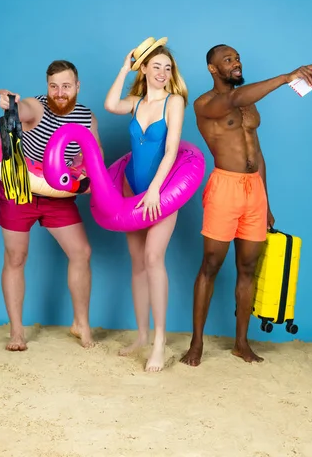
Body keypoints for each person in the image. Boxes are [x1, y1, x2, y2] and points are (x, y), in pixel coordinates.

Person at [180, 44, 312, 365]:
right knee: (211, 266)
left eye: (237, 58)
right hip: (224, 189)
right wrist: (287, 77)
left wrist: (266, 200)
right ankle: (196, 344)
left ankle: (241, 343)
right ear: (213, 69)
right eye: (227, 60)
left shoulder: (251, 106)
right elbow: (231, 100)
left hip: (253, 191)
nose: (236, 63)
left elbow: (257, 155)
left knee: (248, 268)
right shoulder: (205, 104)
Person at [0, 60, 103, 352]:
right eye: (53, 86)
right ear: (47, 87)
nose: (59, 92)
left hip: (57, 193)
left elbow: (95, 159)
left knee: (82, 252)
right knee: (16, 257)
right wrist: (13, 105)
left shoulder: (86, 117)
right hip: (19, 186)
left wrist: (89, 182)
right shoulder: (38, 106)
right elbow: (24, 108)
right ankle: (17, 332)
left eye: (66, 86)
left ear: (77, 87)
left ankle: (80, 322)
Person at [104, 37, 187, 372]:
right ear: (145, 70)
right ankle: (140, 334)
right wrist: (126, 68)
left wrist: (154, 190)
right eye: (157, 67)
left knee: (154, 258)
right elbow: (110, 104)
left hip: (162, 192)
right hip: (131, 190)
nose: (163, 73)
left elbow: (170, 151)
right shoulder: (135, 102)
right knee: (137, 263)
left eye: (168, 68)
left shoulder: (174, 102)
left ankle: (160, 340)